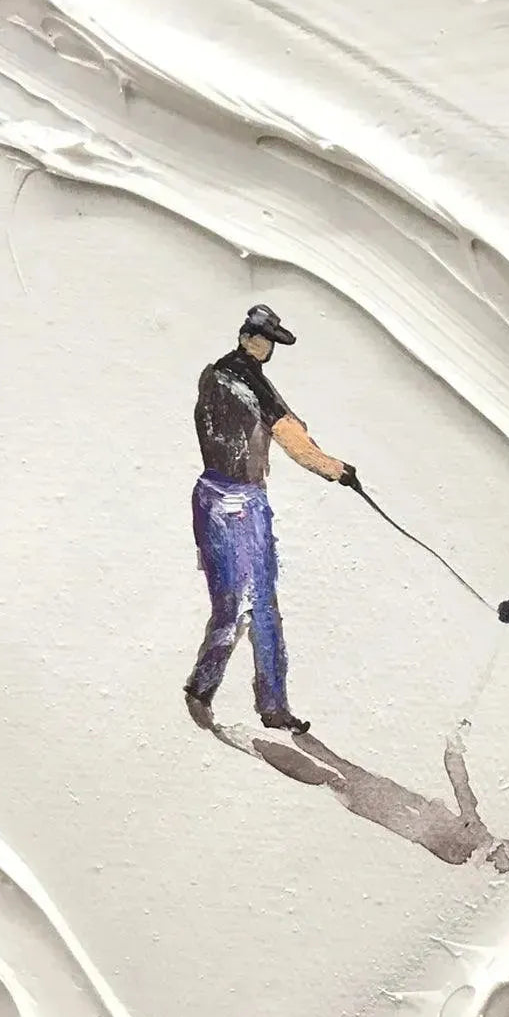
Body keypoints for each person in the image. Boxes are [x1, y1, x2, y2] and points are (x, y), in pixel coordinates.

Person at [184, 304, 357, 733]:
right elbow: (294, 442)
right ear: (248, 337)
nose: (269, 350)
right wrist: (336, 469)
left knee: (230, 609)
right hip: (242, 502)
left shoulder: (213, 374)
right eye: (265, 341)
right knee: (259, 608)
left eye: (272, 344)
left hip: (208, 496)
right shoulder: (252, 384)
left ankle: (202, 688)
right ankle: (272, 706)